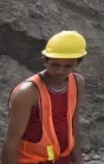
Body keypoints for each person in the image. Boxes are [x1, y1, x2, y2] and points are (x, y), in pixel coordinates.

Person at [2, 31, 87, 164]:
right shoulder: (27, 93)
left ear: (77, 64)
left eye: (68, 66)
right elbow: (12, 141)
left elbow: (73, 125)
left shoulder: (77, 83)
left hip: (62, 158)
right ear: (45, 61)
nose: (60, 71)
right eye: (55, 65)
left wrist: (79, 161)